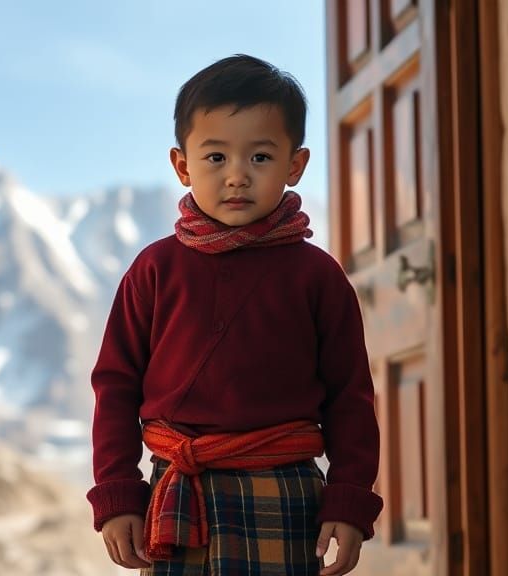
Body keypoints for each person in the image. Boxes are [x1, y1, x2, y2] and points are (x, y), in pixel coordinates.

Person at [86, 54, 382, 575]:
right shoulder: (154, 269)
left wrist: (350, 499)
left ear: (295, 165)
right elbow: (115, 386)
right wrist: (117, 492)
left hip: (287, 494)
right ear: (183, 166)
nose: (238, 177)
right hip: (180, 495)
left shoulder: (318, 276)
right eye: (216, 157)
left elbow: (350, 396)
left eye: (261, 158)